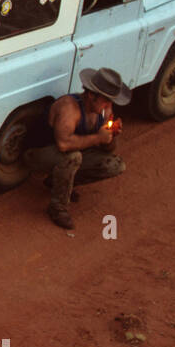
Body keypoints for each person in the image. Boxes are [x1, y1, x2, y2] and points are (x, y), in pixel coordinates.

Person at [24, 67, 130, 229]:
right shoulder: (69, 108)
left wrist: (111, 136)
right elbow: (63, 144)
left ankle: (59, 182)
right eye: (105, 100)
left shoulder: (104, 111)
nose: (108, 105)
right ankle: (57, 208)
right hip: (37, 154)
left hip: (68, 153)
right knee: (73, 157)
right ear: (91, 95)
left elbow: (108, 150)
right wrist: (97, 138)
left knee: (115, 164)